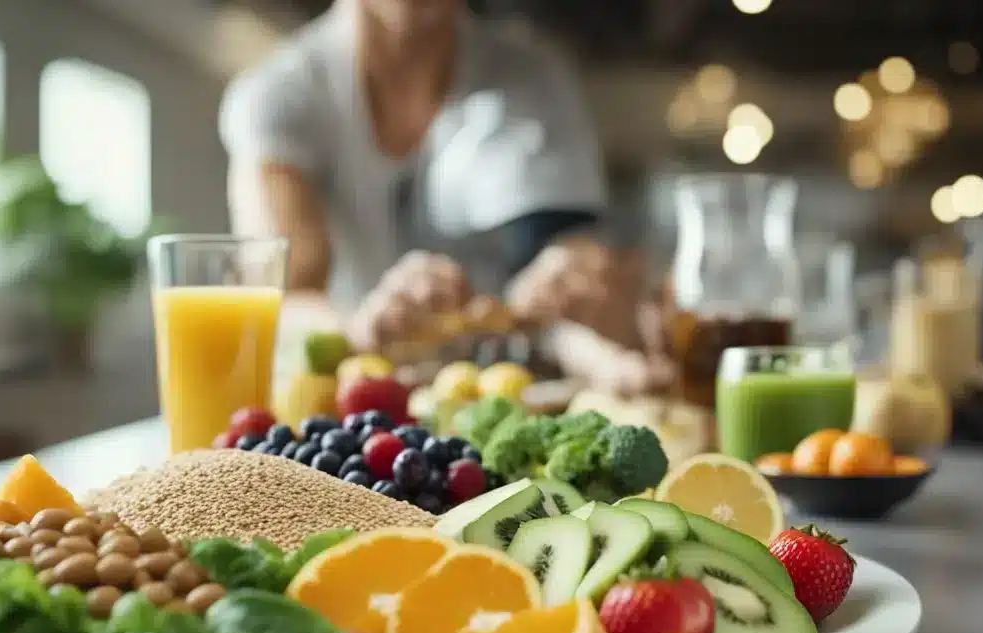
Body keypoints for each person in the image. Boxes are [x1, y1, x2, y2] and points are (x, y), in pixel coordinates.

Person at [219, 0, 673, 393]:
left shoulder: (532, 78)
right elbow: (285, 297)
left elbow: (564, 259)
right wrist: (360, 329)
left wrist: (594, 317)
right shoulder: (279, 96)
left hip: (510, 398)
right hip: (354, 406)